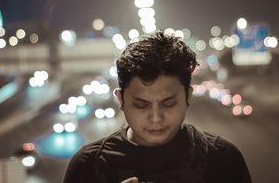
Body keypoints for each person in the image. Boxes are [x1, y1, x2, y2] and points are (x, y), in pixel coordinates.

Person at [63, 30, 252, 183]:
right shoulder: (88, 167)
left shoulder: (222, 160)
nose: (155, 117)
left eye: (168, 104)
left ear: (188, 96)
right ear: (121, 100)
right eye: (141, 105)